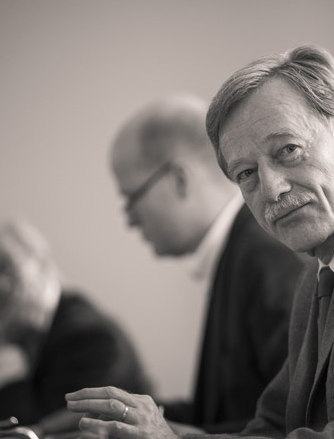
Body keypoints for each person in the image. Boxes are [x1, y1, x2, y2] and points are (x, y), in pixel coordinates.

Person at [66, 45, 334, 438]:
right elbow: (271, 427)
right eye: (246, 173)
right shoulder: (317, 274)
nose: (271, 189)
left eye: (288, 150)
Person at [108, 94, 303, 433]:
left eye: (131, 199)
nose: (130, 220)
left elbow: (293, 421)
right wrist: (129, 415)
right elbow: (224, 411)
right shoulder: (239, 252)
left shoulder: (265, 259)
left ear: (179, 179)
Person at [0, 218, 151, 437]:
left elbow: (42, 434)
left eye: (3, 266)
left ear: (40, 259)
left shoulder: (92, 338)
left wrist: (8, 363)